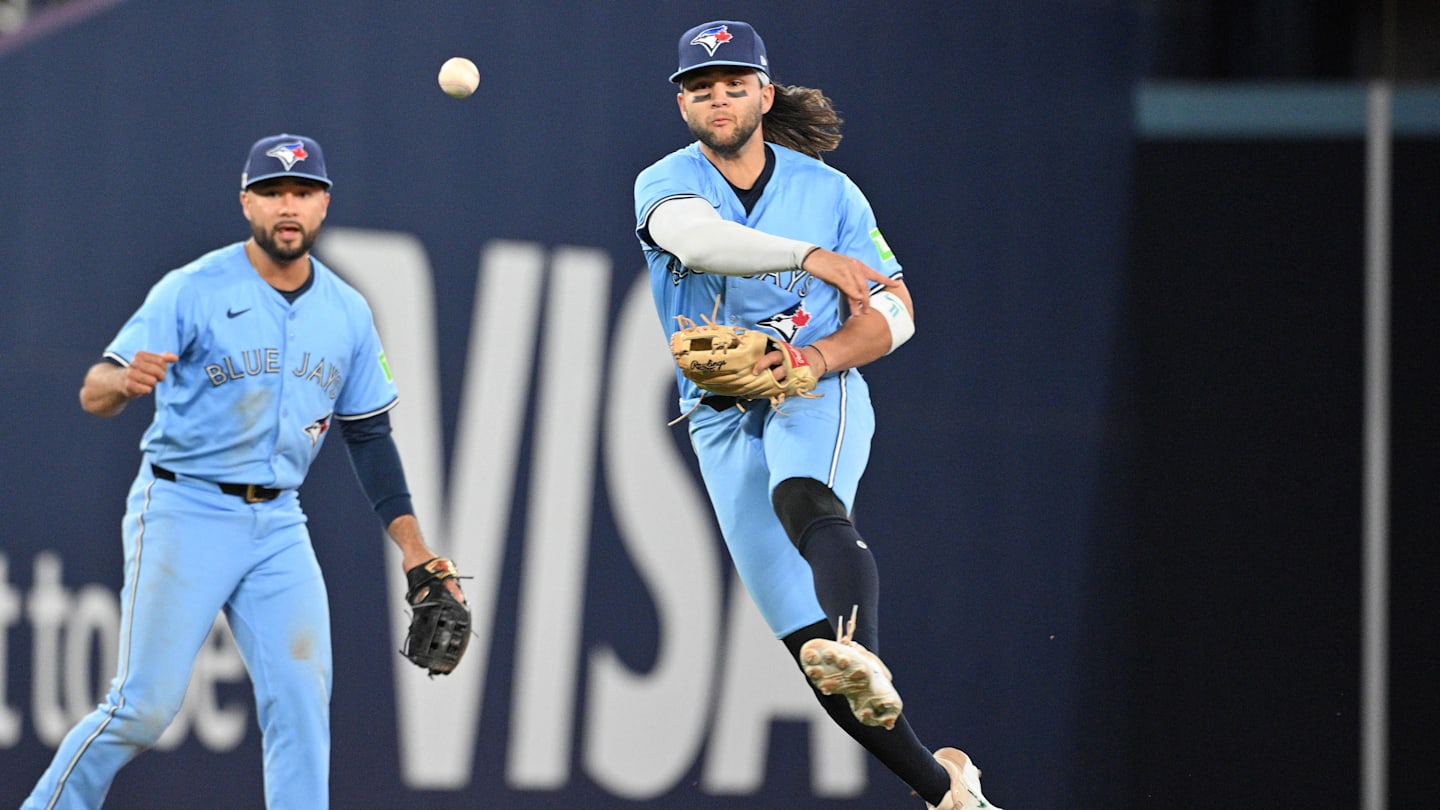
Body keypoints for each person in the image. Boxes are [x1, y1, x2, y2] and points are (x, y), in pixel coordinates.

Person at [24, 133, 462, 809]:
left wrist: (415, 551)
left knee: (301, 701)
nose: (288, 206)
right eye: (273, 192)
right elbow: (92, 390)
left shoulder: (346, 311)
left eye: (303, 191)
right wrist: (122, 383)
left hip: (279, 521)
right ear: (246, 203)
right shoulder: (193, 289)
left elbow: (369, 437)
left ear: (323, 204)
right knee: (142, 708)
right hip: (184, 508)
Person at [634, 21, 1003, 810]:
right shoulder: (665, 181)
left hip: (812, 387)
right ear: (682, 104)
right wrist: (807, 258)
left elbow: (896, 310)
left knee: (802, 495)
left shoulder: (829, 192)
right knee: (807, 644)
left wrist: (818, 358)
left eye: (735, 83)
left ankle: (863, 654)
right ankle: (949, 793)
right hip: (717, 413)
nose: (718, 97)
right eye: (701, 87)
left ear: (765, 94)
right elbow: (698, 242)